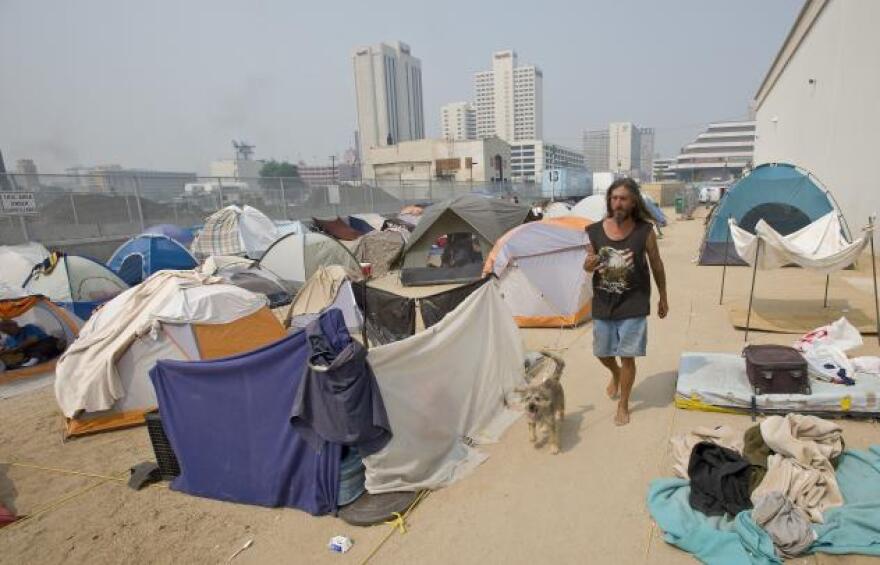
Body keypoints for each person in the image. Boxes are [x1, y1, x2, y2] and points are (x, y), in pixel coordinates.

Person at [583, 178, 668, 426]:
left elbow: (657, 264)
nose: (618, 203)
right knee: (602, 351)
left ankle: (623, 404)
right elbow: (588, 263)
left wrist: (663, 295)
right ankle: (615, 373)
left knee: (627, 355)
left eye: (624, 199)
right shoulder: (594, 231)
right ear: (609, 201)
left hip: (634, 301)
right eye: (614, 198)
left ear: (633, 203)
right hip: (603, 301)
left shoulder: (645, 231)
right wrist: (587, 265)